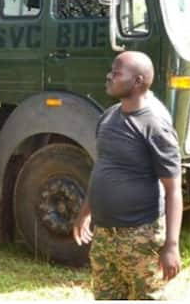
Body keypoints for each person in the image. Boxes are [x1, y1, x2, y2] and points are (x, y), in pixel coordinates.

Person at [72, 51, 182, 300]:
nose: (109, 76)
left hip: (141, 237)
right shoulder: (109, 117)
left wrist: (171, 245)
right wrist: (85, 213)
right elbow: (102, 168)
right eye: (111, 71)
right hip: (105, 237)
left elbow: (173, 189)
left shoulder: (154, 124)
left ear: (138, 81)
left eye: (116, 73)